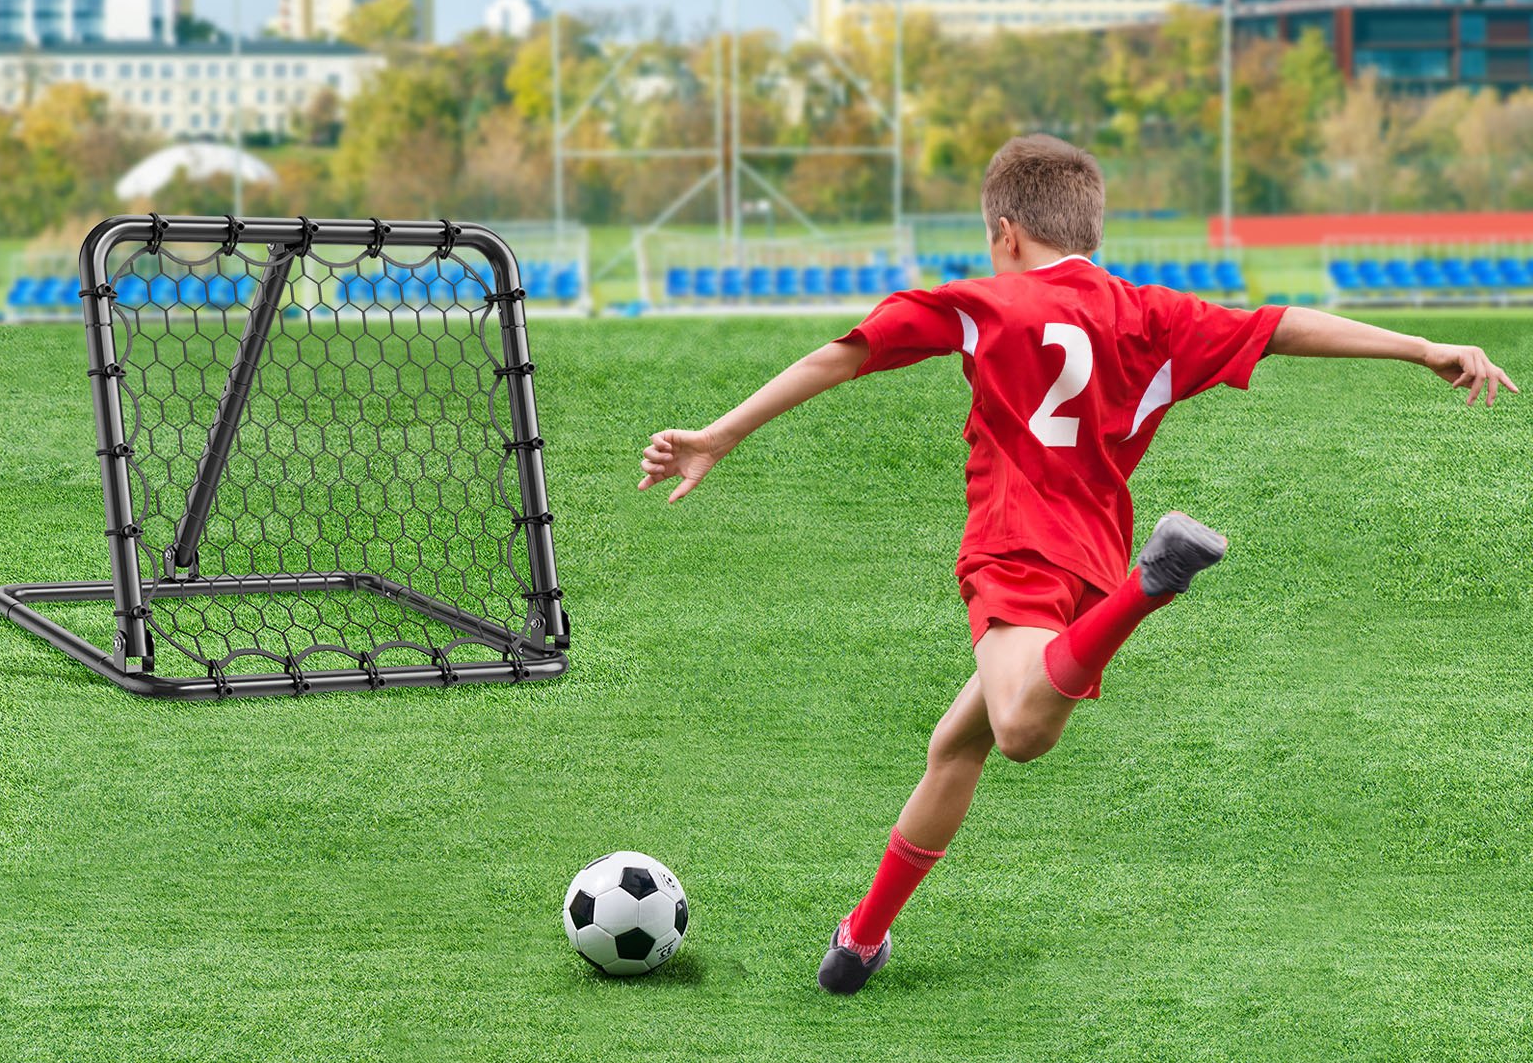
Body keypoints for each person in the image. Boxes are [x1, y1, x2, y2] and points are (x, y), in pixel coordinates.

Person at [635, 134, 1518, 995]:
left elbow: (845, 353)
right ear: (1090, 227)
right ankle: (862, 939)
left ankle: (1155, 582)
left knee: (1019, 730)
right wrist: (1421, 348)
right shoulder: (1155, 314)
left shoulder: (986, 302)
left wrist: (723, 432)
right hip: (1084, 558)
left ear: (1005, 234)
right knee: (958, 744)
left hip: (1018, 546)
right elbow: (1282, 325)